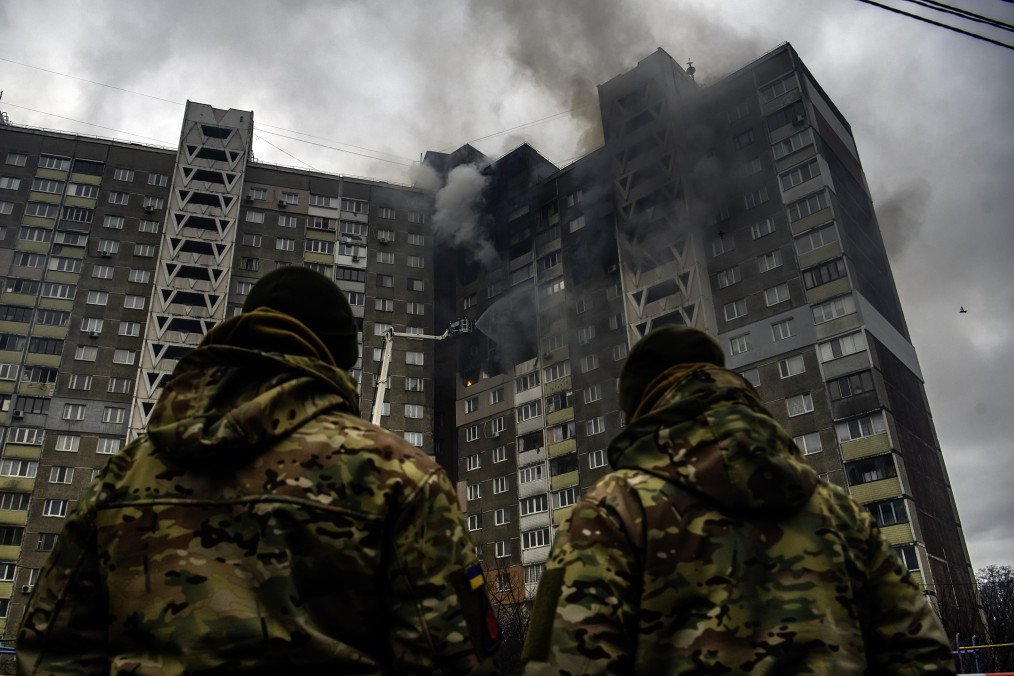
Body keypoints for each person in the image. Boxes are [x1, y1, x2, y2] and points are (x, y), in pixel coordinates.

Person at [18, 267, 499, 673]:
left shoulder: (122, 476)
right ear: (339, 362)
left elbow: (50, 650)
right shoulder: (399, 477)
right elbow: (450, 656)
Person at [523, 326, 953, 674]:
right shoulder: (838, 511)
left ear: (641, 410)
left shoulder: (615, 509)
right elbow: (922, 651)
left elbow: (567, 664)